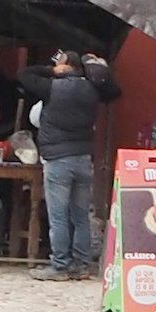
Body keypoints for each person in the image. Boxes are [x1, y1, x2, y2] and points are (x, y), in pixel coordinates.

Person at [34, 50, 108, 280]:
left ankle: (60, 266)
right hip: (84, 157)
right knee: (80, 215)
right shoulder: (92, 89)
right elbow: (113, 90)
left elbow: (24, 74)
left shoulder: (52, 88)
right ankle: (82, 265)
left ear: (65, 66)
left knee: (58, 216)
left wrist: (50, 70)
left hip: (58, 158)